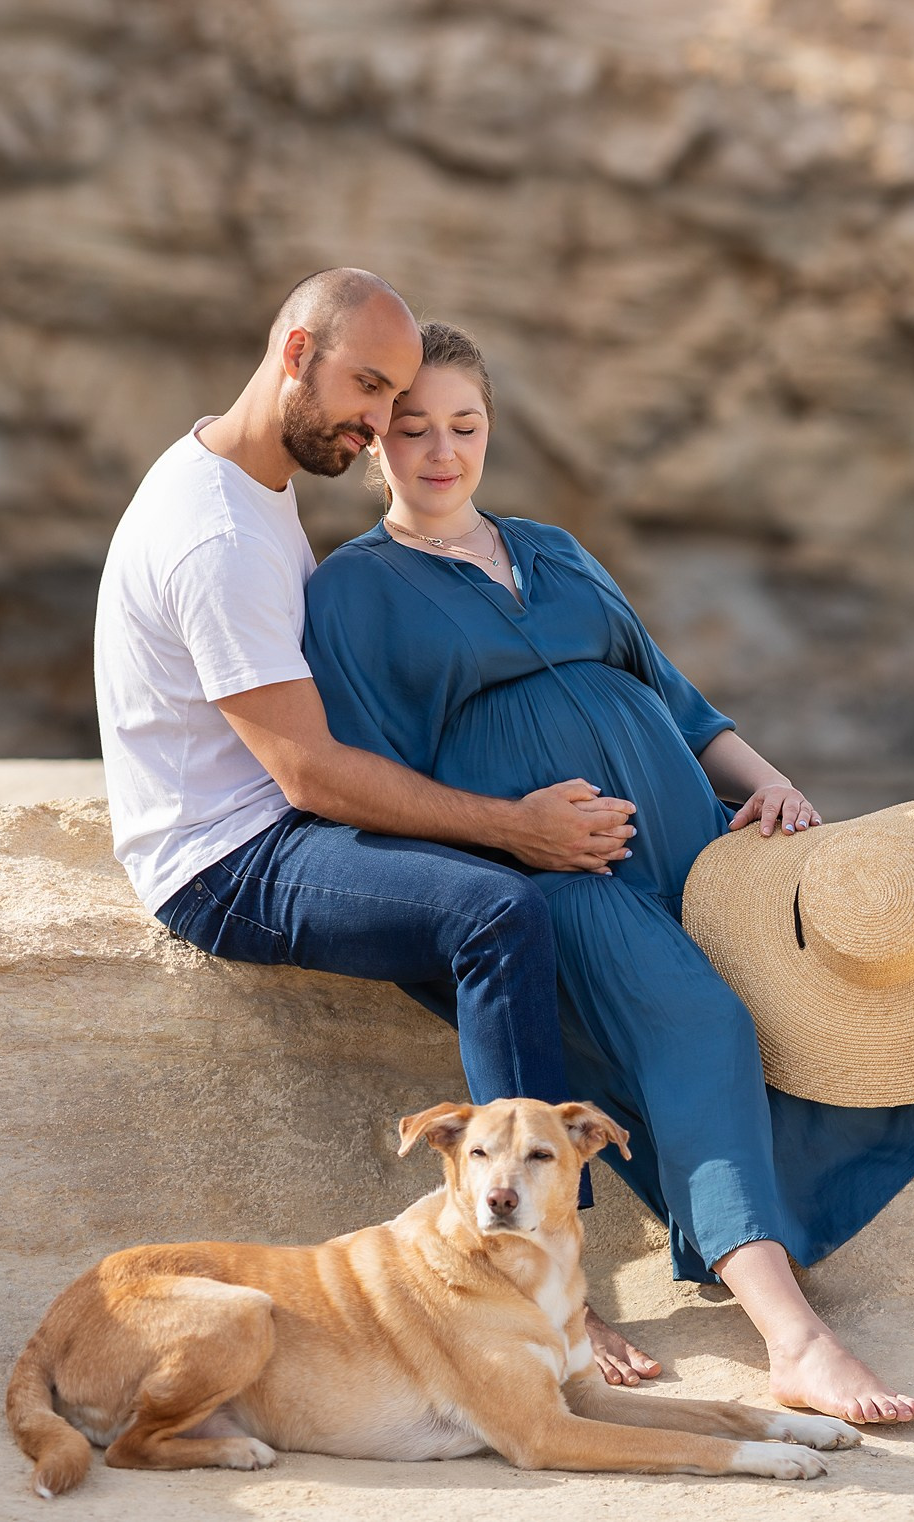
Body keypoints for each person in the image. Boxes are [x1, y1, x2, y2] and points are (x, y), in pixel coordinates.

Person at [301, 321, 914, 1425]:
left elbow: (673, 698)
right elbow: (376, 775)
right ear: (375, 439)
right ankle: (791, 1333)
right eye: (412, 428)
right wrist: (516, 833)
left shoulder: (554, 547)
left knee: (827, 980)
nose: (440, 450)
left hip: (697, 842)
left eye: (463, 425)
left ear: (490, 429)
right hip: (549, 870)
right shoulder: (353, 590)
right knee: (699, 1018)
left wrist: (771, 788)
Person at [91, 267, 647, 1361]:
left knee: (537, 925)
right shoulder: (218, 537)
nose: (380, 421)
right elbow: (305, 772)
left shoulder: (242, 473)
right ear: (294, 353)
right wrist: (509, 822)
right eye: (369, 388)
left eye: (395, 396)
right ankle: (539, 1284)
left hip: (268, 818)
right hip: (223, 856)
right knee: (496, 911)